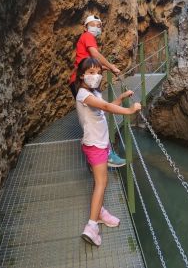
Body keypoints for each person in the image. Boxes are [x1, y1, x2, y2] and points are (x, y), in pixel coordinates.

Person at [76, 57, 141, 246]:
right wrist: (129, 111)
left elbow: (103, 110)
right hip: (95, 145)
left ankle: (100, 212)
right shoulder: (82, 94)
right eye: (90, 73)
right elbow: (104, 107)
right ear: (82, 75)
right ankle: (92, 226)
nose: (95, 76)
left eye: (98, 72)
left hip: (99, 144)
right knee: (101, 184)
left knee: (99, 183)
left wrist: (120, 99)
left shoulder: (94, 93)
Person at [69, 14, 125, 167]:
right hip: (81, 81)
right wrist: (112, 67)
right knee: (97, 116)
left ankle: (95, 150)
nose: (96, 28)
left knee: (92, 116)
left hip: (78, 79)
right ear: (86, 27)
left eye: (99, 25)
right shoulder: (88, 36)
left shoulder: (85, 38)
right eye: (93, 24)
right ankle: (105, 155)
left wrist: (106, 68)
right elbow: (95, 54)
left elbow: (90, 64)